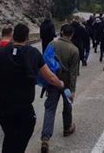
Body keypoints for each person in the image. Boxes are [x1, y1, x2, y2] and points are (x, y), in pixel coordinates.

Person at [0, 24, 64, 153]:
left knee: (9, 135)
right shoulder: (33, 53)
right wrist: (60, 84)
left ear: (13, 37)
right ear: (27, 37)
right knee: (22, 136)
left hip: (2, 106)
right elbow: (50, 77)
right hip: (23, 107)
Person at [40, 25, 79, 153]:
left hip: (53, 80)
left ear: (61, 32)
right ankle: (67, 128)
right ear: (71, 35)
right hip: (66, 82)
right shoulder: (74, 50)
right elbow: (73, 73)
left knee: (50, 108)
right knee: (67, 106)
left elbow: (44, 62)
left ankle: (45, 138)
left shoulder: (52, 44)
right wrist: (72, 90)